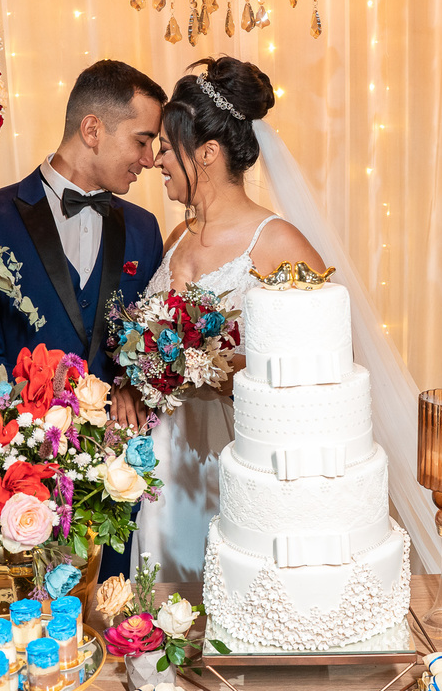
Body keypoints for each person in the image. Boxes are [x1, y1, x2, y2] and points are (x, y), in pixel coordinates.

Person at [0, 59, 166, 578]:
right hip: (19, 476)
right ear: (92, 129)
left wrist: (135, 383)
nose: (150, 158)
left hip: (114, 472)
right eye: (141, 140)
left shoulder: (143, 228)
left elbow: (148, 336)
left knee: (111, 608)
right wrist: (22, 449)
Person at [129, 56, 324, 582]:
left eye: (167, 150)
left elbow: (320, 372)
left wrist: (223, 371)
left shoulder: (279, 244)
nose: (156, 162)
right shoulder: (175, 240)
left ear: (207, 152)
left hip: (239, 462)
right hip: (166, 459)